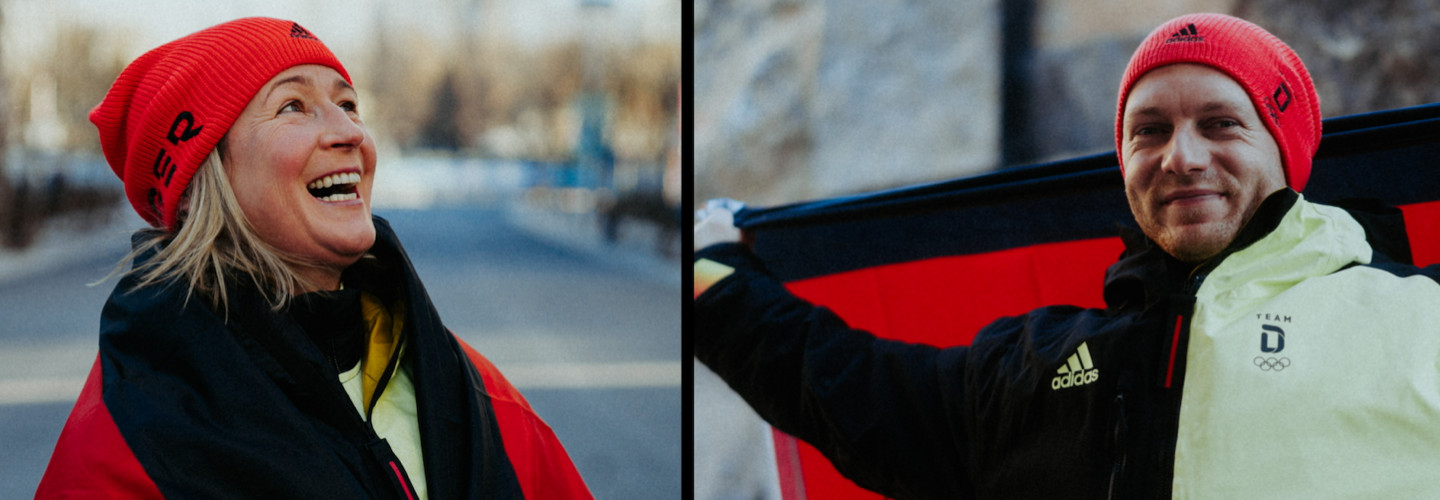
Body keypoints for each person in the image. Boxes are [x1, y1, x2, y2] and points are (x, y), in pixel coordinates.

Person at [693, 13, 1440, 499]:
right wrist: (714, 278)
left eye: (1220, 124)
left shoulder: (1419, 318)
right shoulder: (1038, 363)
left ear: (1287, 149)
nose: (1181, 157)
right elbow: (850, 387)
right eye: (1148, 131)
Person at [36, 18, 592, 499]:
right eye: (293, 106)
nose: (350, 131)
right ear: (207, 176)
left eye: (349, 104)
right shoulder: (124, 439)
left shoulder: (471, 388)